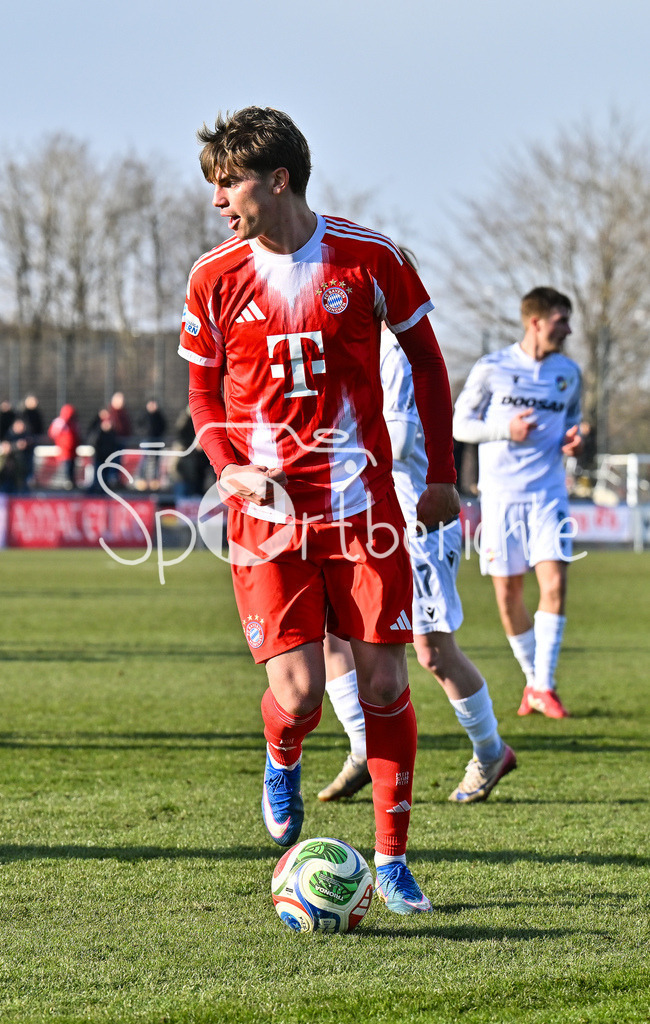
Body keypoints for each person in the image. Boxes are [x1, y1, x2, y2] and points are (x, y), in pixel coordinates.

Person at [179, 106, 459, 915]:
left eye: (227, 184)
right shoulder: (213, 277)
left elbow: (429, 363)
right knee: (299, 692)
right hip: (267, 514)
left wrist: (440, 472)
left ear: (278, 179)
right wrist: (230, 470)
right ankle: (281, 752)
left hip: (360, 505)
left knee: (382, 678)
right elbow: (201, 394)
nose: (217, 201)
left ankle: (395, 860)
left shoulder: (369, 258)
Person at [319, 320, 516, 804]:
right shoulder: (351, 340)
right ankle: (364, 747)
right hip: (360, 519)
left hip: (415, 524)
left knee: (432, 651)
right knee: (331, 632)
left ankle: (491, 750)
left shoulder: (399, 349)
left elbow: (403, 440)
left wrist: (329, 442)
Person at [453, 286, 583, 719]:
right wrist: (505, 429)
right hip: (501, 497)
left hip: (549, 494)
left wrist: (574, 439)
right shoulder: (492, 368)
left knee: (555, 585)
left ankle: (543, 684)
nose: (568, 329)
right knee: (509, 593)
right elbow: (460, 424)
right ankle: (533, 682)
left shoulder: (568, 373)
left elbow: (573, 423)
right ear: (537, 321)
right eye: (562, 320)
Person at [48, 403, 81, 489]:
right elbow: (53, 433)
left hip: (72, 450)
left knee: (71, 467)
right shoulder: (60, 422)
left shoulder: (74, 423)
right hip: (64, 450)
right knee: (65, 467)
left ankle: (70, 482)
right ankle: (65, 482)